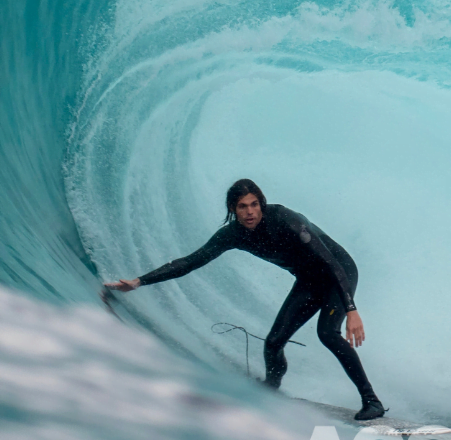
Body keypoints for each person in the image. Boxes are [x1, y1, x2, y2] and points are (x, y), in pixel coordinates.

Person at [105, 178, 386, 421]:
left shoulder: (286, 220)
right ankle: (271, 387)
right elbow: (191, 262)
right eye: (242, 206)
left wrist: (351, 309)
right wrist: (140, 281)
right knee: (274, 342)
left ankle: (371, 401)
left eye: (254, 204)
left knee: (327, 333)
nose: (250, 212)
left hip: (338, 271)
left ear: (261, 204)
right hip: (310, 280)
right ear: (233, 209)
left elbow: (329, 261)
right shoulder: (233, 235)